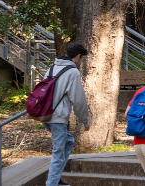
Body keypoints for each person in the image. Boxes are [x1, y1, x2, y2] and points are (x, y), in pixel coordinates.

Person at [44, 43, 91, 186]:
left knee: (68, 141)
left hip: (45, 114)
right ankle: (51, 183)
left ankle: (56, 179)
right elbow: (78, 100)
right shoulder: (73, 72)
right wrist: (85, 121)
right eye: (81, 58)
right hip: (57, 117)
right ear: (78, 56)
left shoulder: (52, 68)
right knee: (58, 152)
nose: (80, 61)